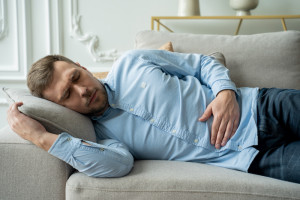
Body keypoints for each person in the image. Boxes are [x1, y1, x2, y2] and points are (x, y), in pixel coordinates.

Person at [7, 50, 300, 183]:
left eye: (76, 77)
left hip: (262, 106)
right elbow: (117, 166)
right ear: (63, 108)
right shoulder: (104, 139)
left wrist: (225, 93)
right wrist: (41, 137)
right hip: (253, 160)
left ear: (82, 66)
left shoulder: (133, 62)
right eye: (66, 95)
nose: (82, 90)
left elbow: (201, 64)